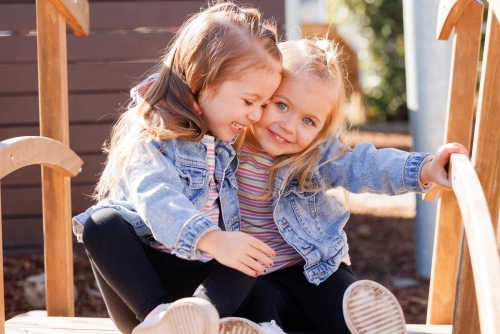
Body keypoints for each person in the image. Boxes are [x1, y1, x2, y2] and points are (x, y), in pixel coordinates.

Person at [220, 38, 467, 334]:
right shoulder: (223, 148)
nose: (289, 126)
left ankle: (364, 326)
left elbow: (364, 165)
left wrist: (424, 168)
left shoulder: (314, 156)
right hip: (252, 278)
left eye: (308, 120)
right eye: (281, 105)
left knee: (342, 302)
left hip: (316, 269)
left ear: (322, 130)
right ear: (260, 95)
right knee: (258, 305)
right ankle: (263, 328)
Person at [71, 2, 283, 334]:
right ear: (202, 81)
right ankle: (162, 321)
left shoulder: (225, 140)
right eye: (248, 101)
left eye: (263, 104)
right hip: (144, 294)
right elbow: (157, 196)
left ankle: (225, 323)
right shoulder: (153, 133)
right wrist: (210, 238)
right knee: (100, 224)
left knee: (250, 261)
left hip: (204, 293)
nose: (256, 115)